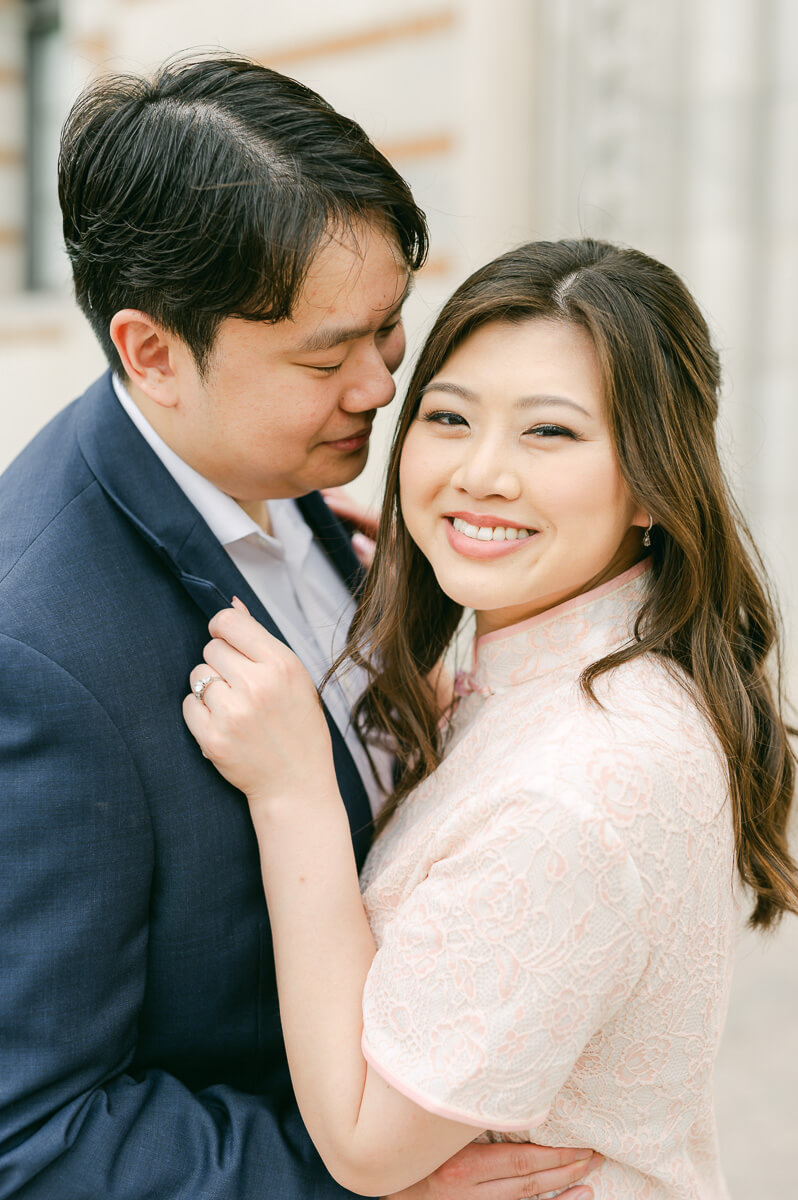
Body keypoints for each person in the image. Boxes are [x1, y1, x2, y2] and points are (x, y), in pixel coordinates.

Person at [0, 56, 598, 1200]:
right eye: (327, 357)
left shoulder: (313, 491)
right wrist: (369, 1186)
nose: (381, 387)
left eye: (388, 331)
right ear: (152, 352)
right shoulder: (35, 654)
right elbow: (35, 1134)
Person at [184, 238, 798, 1198]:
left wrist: (294, 788)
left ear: (651, 481)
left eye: (548, 434)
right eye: (448, 417)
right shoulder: (589, 677)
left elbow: (362, 1141)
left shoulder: (578, 786)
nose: (480, 473)